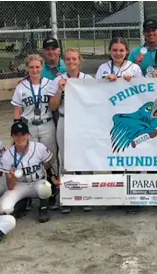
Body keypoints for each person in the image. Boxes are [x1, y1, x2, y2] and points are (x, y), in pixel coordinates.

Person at [49, 48, 94, 214]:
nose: (71, 62)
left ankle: (87, 195)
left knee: (85, 156)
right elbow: (53, 106)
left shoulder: (87, 79)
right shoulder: (58, 79)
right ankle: (68, 196)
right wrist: (60, 90)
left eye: (74, 59)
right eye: (68, 59)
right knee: (66, 158)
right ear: (64, 61)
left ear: (80, 60)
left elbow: (93, 102)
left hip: (82, 122)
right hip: (64, 118)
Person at [0, 122, 55, 223]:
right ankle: (23, 201)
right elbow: (11, 186)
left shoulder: (38, 147)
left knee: (45, 186)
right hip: (20, 185)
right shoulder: (7, 156)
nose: (20, 137)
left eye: (23, 134)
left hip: (37, 183)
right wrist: (12, 177)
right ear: (12, 136)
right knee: (3, 209)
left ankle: (43, 208)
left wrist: (53, 178)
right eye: (16, 134)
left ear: (28, 135)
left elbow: (48, 165)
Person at [11, 54, 58, 175]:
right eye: (31, 67)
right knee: (32, 156)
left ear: (42, 67)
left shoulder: (50, 83)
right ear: (27, 68)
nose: (35, 70)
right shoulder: (21, 86)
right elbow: (18, 109)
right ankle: (37, 181)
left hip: (47, 123)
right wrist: (16, 128)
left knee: (50, 156)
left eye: (37, 66)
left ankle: (53, 182)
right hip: (29, 125)